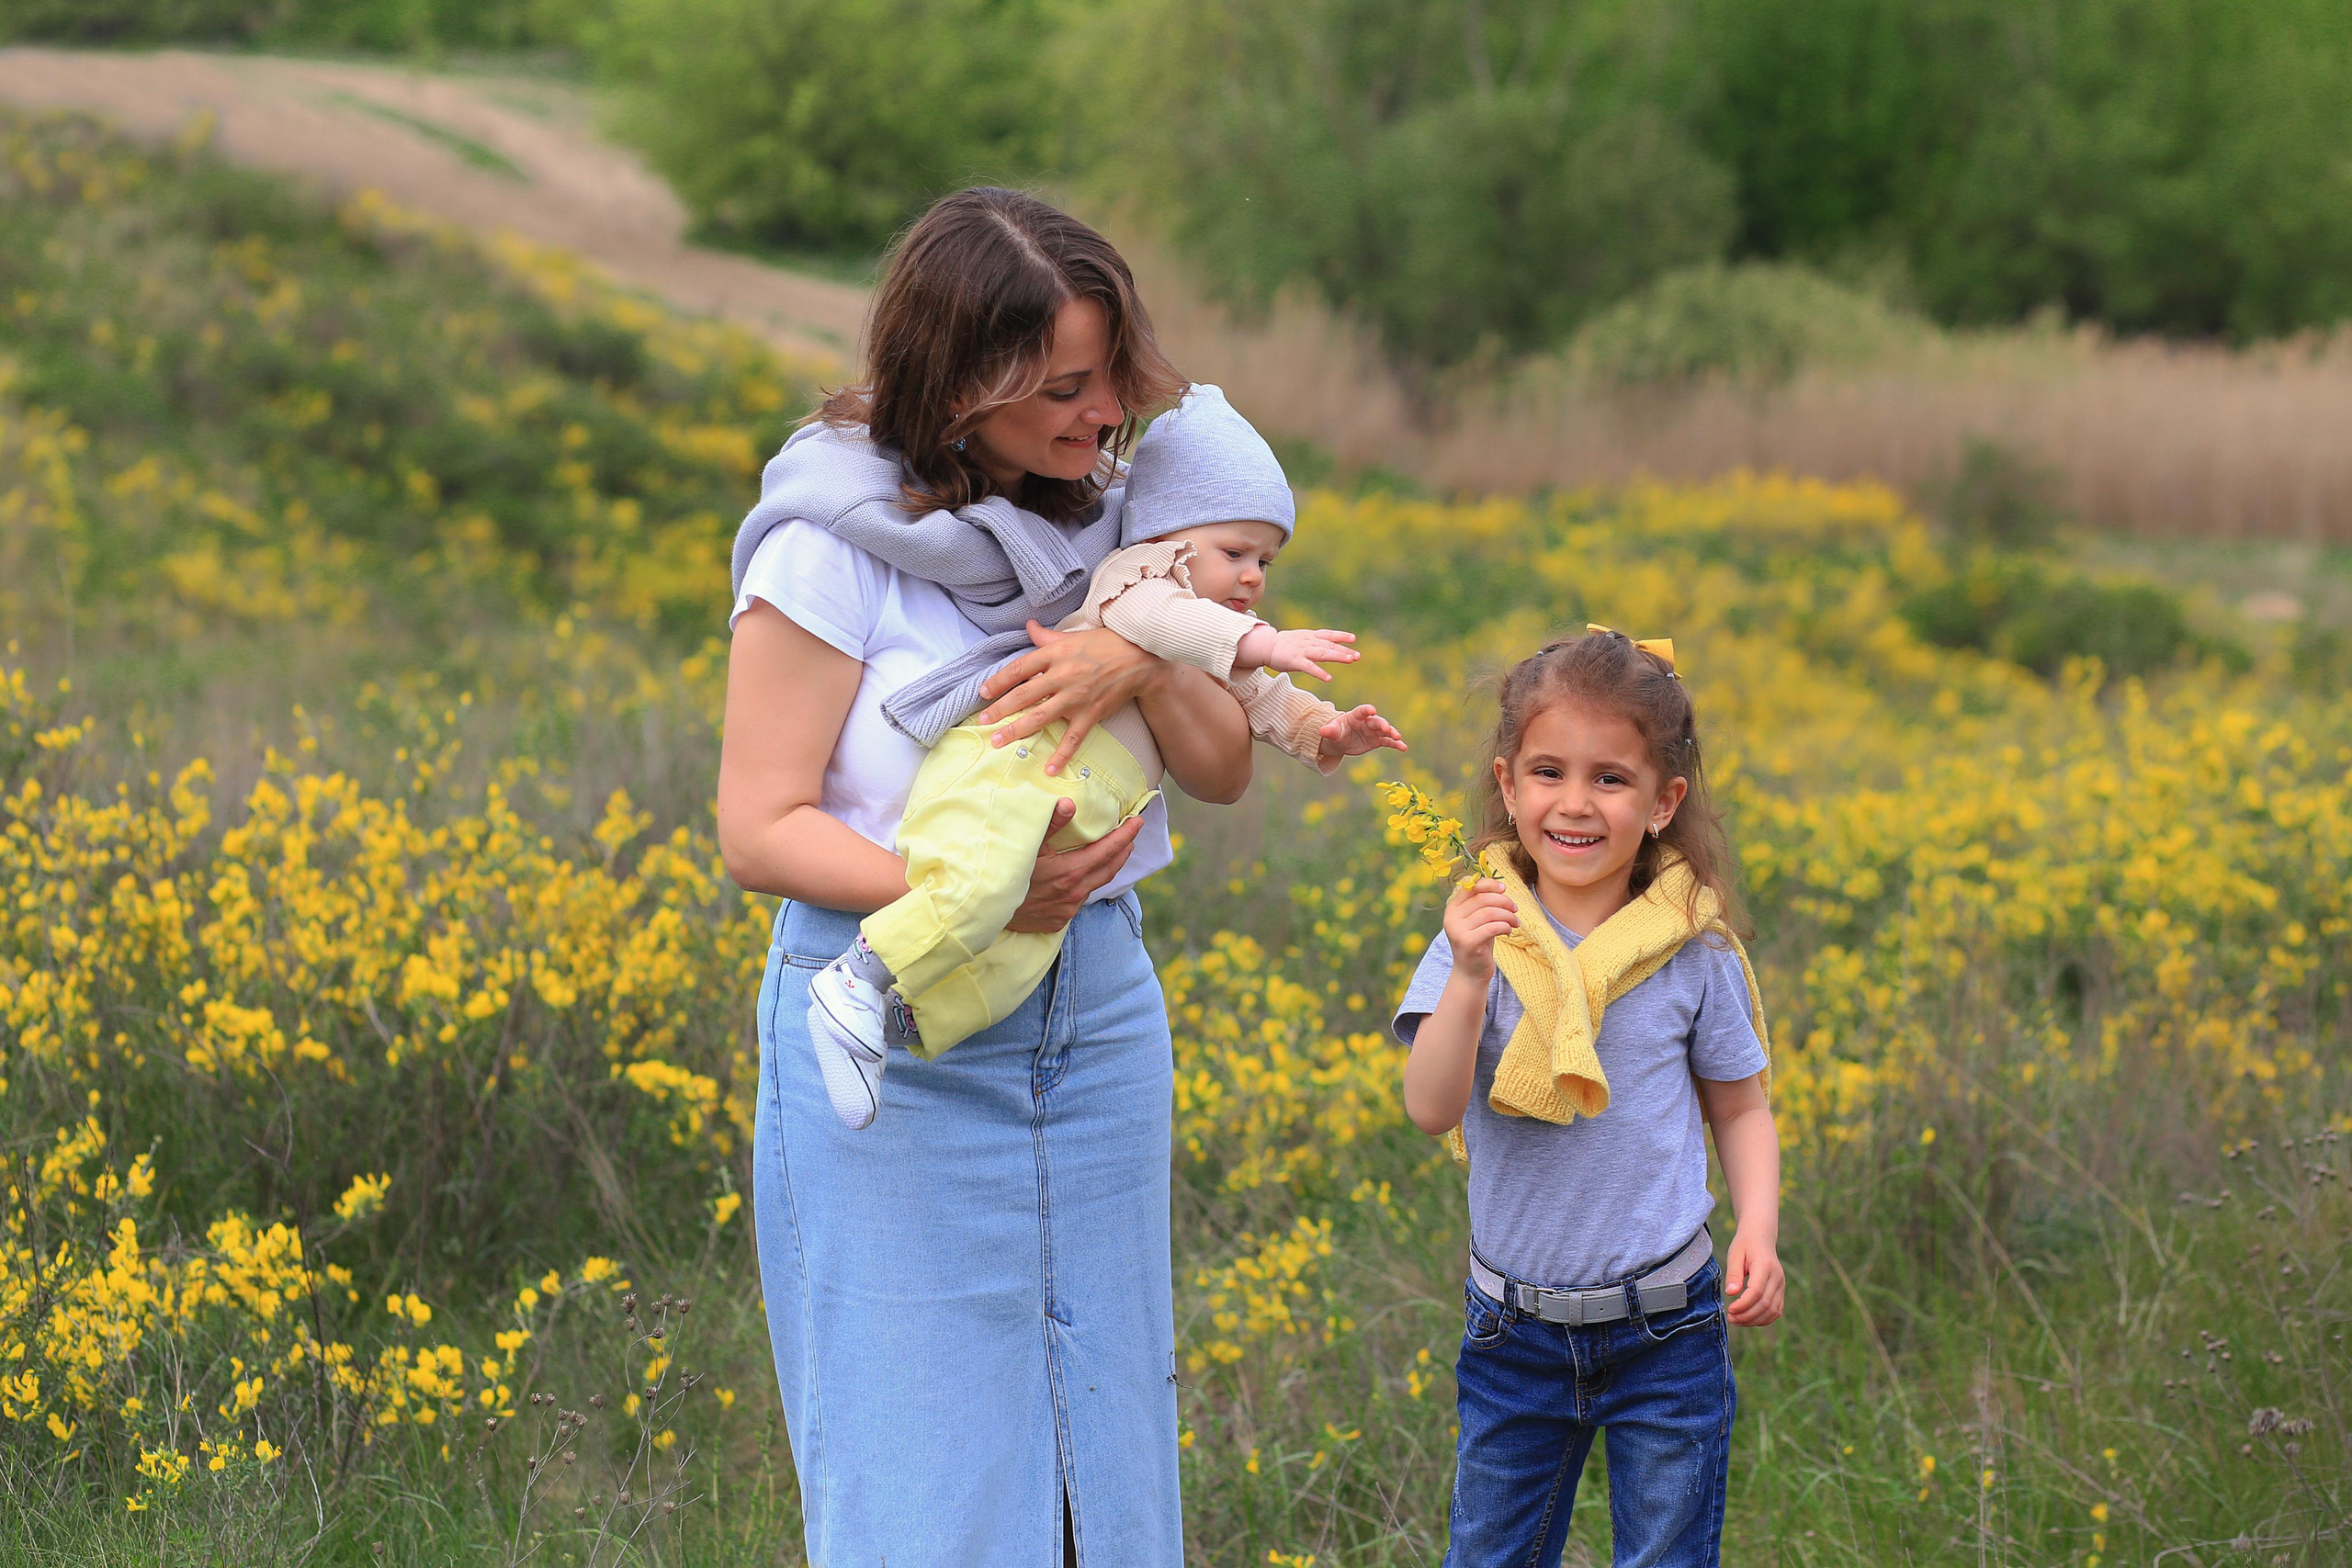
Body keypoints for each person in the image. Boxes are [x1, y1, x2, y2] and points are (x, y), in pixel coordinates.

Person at [717, 187, 1250, 1566]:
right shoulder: (827, 541)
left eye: (1112, 374)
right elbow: (758, 824)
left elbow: (1224, 763)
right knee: (922, 1481)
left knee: (1105, 1469)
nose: (1103, 416)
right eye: (1062, 387)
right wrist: (971, 901)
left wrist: (1137, 642)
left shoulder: (1125, 526)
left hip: (1099, 1020)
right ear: (961, 384)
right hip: (889, 1032)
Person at [805, 384, 1407, 1129]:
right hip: (1014, 770)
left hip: (1062, 810)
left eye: (1268, 561)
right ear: (1169, 543)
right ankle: (855, 979)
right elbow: (1160, 621)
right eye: (1236, 553)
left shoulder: (1215, 640)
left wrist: (1329, 730)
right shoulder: (1136, 578)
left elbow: (1264, 702)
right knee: (980, 889)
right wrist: (1268, 641)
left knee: (1011, 961)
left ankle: (904, 1024)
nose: (1254, 576)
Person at [1392, 627, 1785, 1568]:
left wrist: (1758, 1231)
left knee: (1666, 1555)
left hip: (1668, 1328)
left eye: (1610, 778)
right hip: (1512, 1332)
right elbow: (1430, 1107)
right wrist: (1471, 981)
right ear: (1507, 784)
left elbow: (1739, 1106)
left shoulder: (1694, 949)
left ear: (1663, 803)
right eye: (1547, 773)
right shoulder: (1476, 935)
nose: (1574, 804)